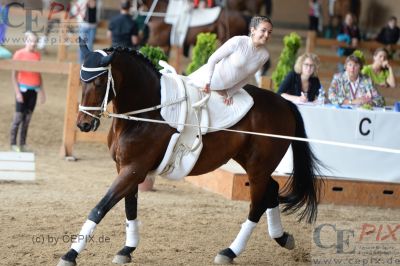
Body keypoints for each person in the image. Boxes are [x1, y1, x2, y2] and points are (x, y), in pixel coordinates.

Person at [188, 16, 273, 105]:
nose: (267, 35)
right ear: (253, 30)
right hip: (206, 81)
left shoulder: (265, 55)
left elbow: (248, 77)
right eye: (263, 30)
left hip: (225, 90)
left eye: (269, 32)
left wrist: (229, 93)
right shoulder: (238, 41)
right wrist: (207, 82)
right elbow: (213, 59)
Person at [10, 32, 46, 152]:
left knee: (27, 119)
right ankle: (13, 143)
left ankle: (23, 144)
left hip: (33, 91)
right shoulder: (19, 54)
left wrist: (42, 92)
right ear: (25, 41)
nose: (33, 43)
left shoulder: (37, 55)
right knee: (18, 118)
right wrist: (17, 92)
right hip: (22, 90)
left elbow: (39, 74)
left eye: (35, 41)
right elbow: (14, 75)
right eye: (31, 41)